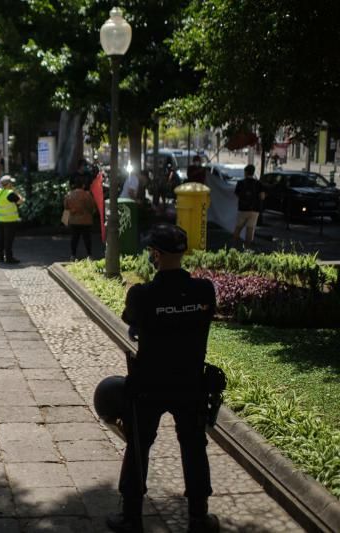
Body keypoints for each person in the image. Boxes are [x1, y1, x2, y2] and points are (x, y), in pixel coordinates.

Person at [107, 223, 218, 533]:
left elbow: (132, 322)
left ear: (155, 254)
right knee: (194, 447)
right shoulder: (204, 290)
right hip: (190, 382)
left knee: (139, 446)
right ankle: (198, 517)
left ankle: (131, 517)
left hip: (150, 383)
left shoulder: (142, 294)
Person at [0, 175, 23, 264]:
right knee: (8, 240)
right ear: (8, 184)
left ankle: (0, 257)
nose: (12, 184)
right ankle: (9, 258)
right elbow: (20, 201)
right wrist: (16, 191)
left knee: (0, 239)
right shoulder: (10, 193)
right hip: (9, 220)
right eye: (11, 183)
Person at [232, 164, 265, 248]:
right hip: (254, 210)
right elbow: (262, 197)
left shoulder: (240, 183)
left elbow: (237, 194)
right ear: (253, 172)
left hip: (242, 209)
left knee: (238, 228)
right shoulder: (258, 183)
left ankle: (234, 247)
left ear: (246, 172)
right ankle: (247, 248)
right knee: (250, 229)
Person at [64, 180, 96, 259]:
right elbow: (91, 207)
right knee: (87, 238)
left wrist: (65, 221)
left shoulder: (69, 195)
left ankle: (73, 255)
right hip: (85, 220)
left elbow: (66, 208)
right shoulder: (87, 195)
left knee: (74, 238)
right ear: (83, 186)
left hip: (74, 220)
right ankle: (89, 255)